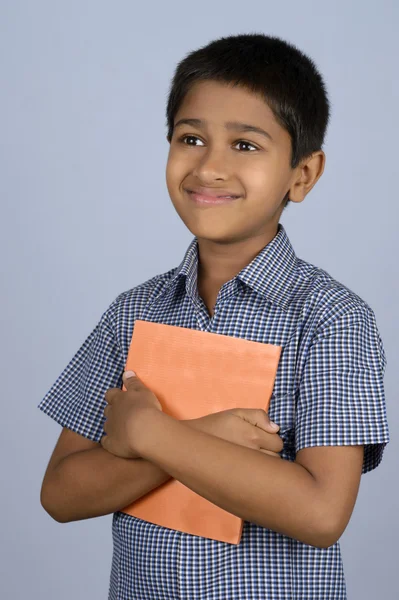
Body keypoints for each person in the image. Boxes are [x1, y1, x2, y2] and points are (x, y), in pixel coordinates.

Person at [38, 33, 390, 600]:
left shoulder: (331, 320)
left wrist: (146, 431)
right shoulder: (132, 312)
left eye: (246, 146)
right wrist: (201, 437)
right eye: (191, 138)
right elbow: (60, 493)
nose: (210, 167)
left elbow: (321, 513)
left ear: (302, 175)